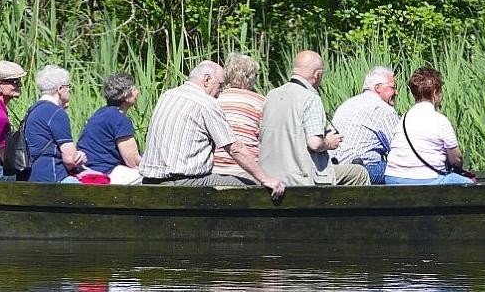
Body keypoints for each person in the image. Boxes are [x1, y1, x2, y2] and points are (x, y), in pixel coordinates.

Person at [140, 61, 286, 196]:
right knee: (252, 185)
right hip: (184, 183)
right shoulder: (206, 103)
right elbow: (235, 148)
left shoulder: (167, 95)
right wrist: (265, 179)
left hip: (150, 181)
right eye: (221, 85)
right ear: (207, 80)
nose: (220, 92)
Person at [257, 50, 371, 186]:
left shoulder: (272, 95)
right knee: (359, 173)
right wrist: (329, 143)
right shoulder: (310, 98)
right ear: (318, 74)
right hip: (300, 179)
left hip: (268, 176)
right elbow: (315, 143)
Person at [385, 67, 474, 185]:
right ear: (435, 93)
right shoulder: (440, 121)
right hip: (426, 180)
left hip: (393, 178)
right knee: (470, 183)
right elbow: (456, 159)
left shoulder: (403, 119)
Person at [329, 66, 401, 184]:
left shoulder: (348, 103)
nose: (396, 92)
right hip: (362, 170)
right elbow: (400, 148)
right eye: (393, 87)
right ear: (378, 88)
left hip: (336, 169)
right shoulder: (383, 109)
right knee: (408, 170)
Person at [72, 72, 145, 184]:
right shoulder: (119, 119)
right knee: (148, 177)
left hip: (86, 169)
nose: (137, 92)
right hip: (104, 173)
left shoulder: (101, 112)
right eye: (134, 89)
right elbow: (132, 161)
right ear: (126, 96)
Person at [19, 65, 87, 183]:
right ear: (60, 89)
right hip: (53, 177)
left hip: (31, 177)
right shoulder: (56, 112)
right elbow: (70, 160)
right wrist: (80, 156)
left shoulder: (33, 110)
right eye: (68, 87)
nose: (70, 90)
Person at [211, 52, 266, 182]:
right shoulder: (261, 102)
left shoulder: (214, 100)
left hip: (214, 168)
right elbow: (265, 139)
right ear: (251, 77)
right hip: (246, 170)